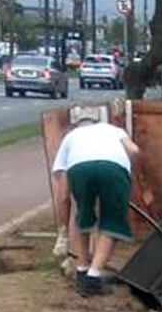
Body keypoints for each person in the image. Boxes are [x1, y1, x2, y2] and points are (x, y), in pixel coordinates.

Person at [51, 119, 140, 297]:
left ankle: (82, 271)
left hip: (79, 169)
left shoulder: (70, 136)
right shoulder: (114, 130)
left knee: (83, 217)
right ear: (97, 123)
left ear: (79, 126)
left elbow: (63, 195)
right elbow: (134, 150)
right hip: (114, 169)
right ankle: (93, 277)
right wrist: (126, 168)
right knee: (112, 223)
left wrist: (62, 234)